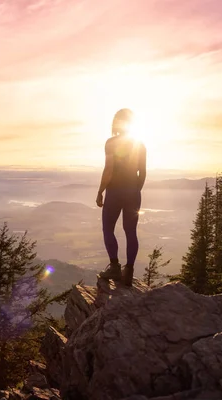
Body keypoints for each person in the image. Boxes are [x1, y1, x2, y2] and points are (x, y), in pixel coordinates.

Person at [96, 108, 147, 287]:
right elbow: (143, 173)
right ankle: (129, 271)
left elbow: (109, 169)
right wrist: (134, 190)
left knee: (108, 228)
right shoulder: (140, 145)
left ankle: (115, 267)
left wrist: (100, 190)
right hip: (133, 192)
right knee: (130, 231)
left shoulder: (111, 143)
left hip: (115, 192)